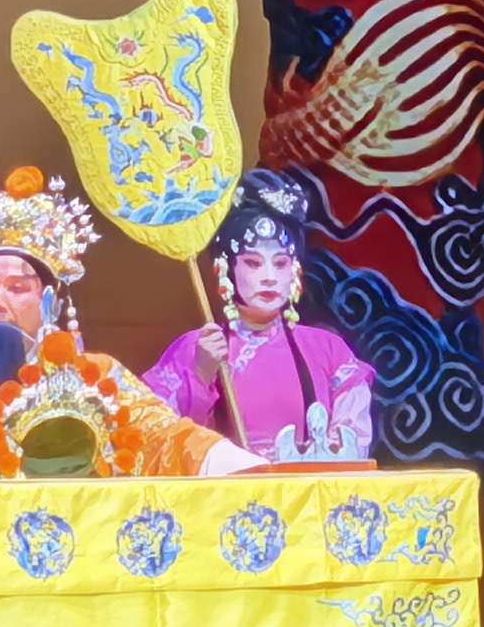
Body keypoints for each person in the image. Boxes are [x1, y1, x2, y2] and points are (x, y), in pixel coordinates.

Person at [0, 169, 243, 480]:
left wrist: (232, 464)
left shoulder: (96, 376)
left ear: (50, 303)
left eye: (17, 288)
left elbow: (162, 435)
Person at [140, 168, 378, 461]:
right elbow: (159, 440)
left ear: (295, 270)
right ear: (226, 268)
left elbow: (352, 447)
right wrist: (201, 375)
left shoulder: (329, 351)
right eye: (253, 263)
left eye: (280, 263)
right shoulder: (197, 348)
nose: (268, 277)